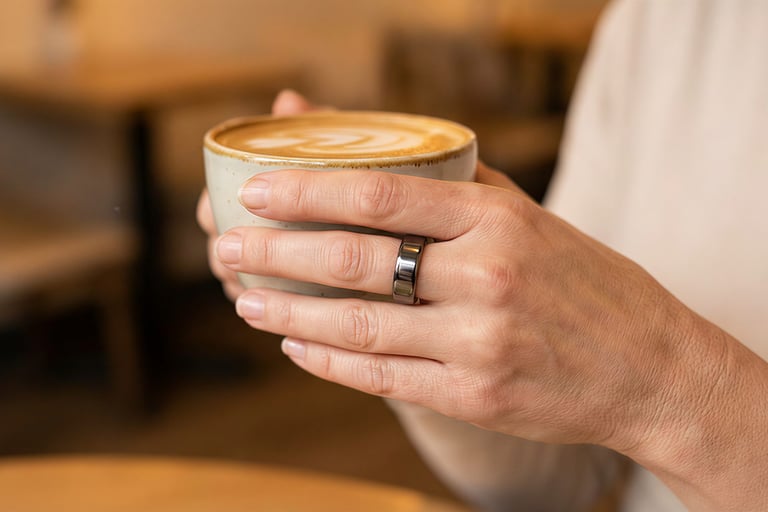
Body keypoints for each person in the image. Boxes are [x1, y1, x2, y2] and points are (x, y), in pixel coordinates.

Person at [197, 0, 768, 510]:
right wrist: (423, 330)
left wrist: (666, 382)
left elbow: (632, 392)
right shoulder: (661, 19)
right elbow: (567, 477)